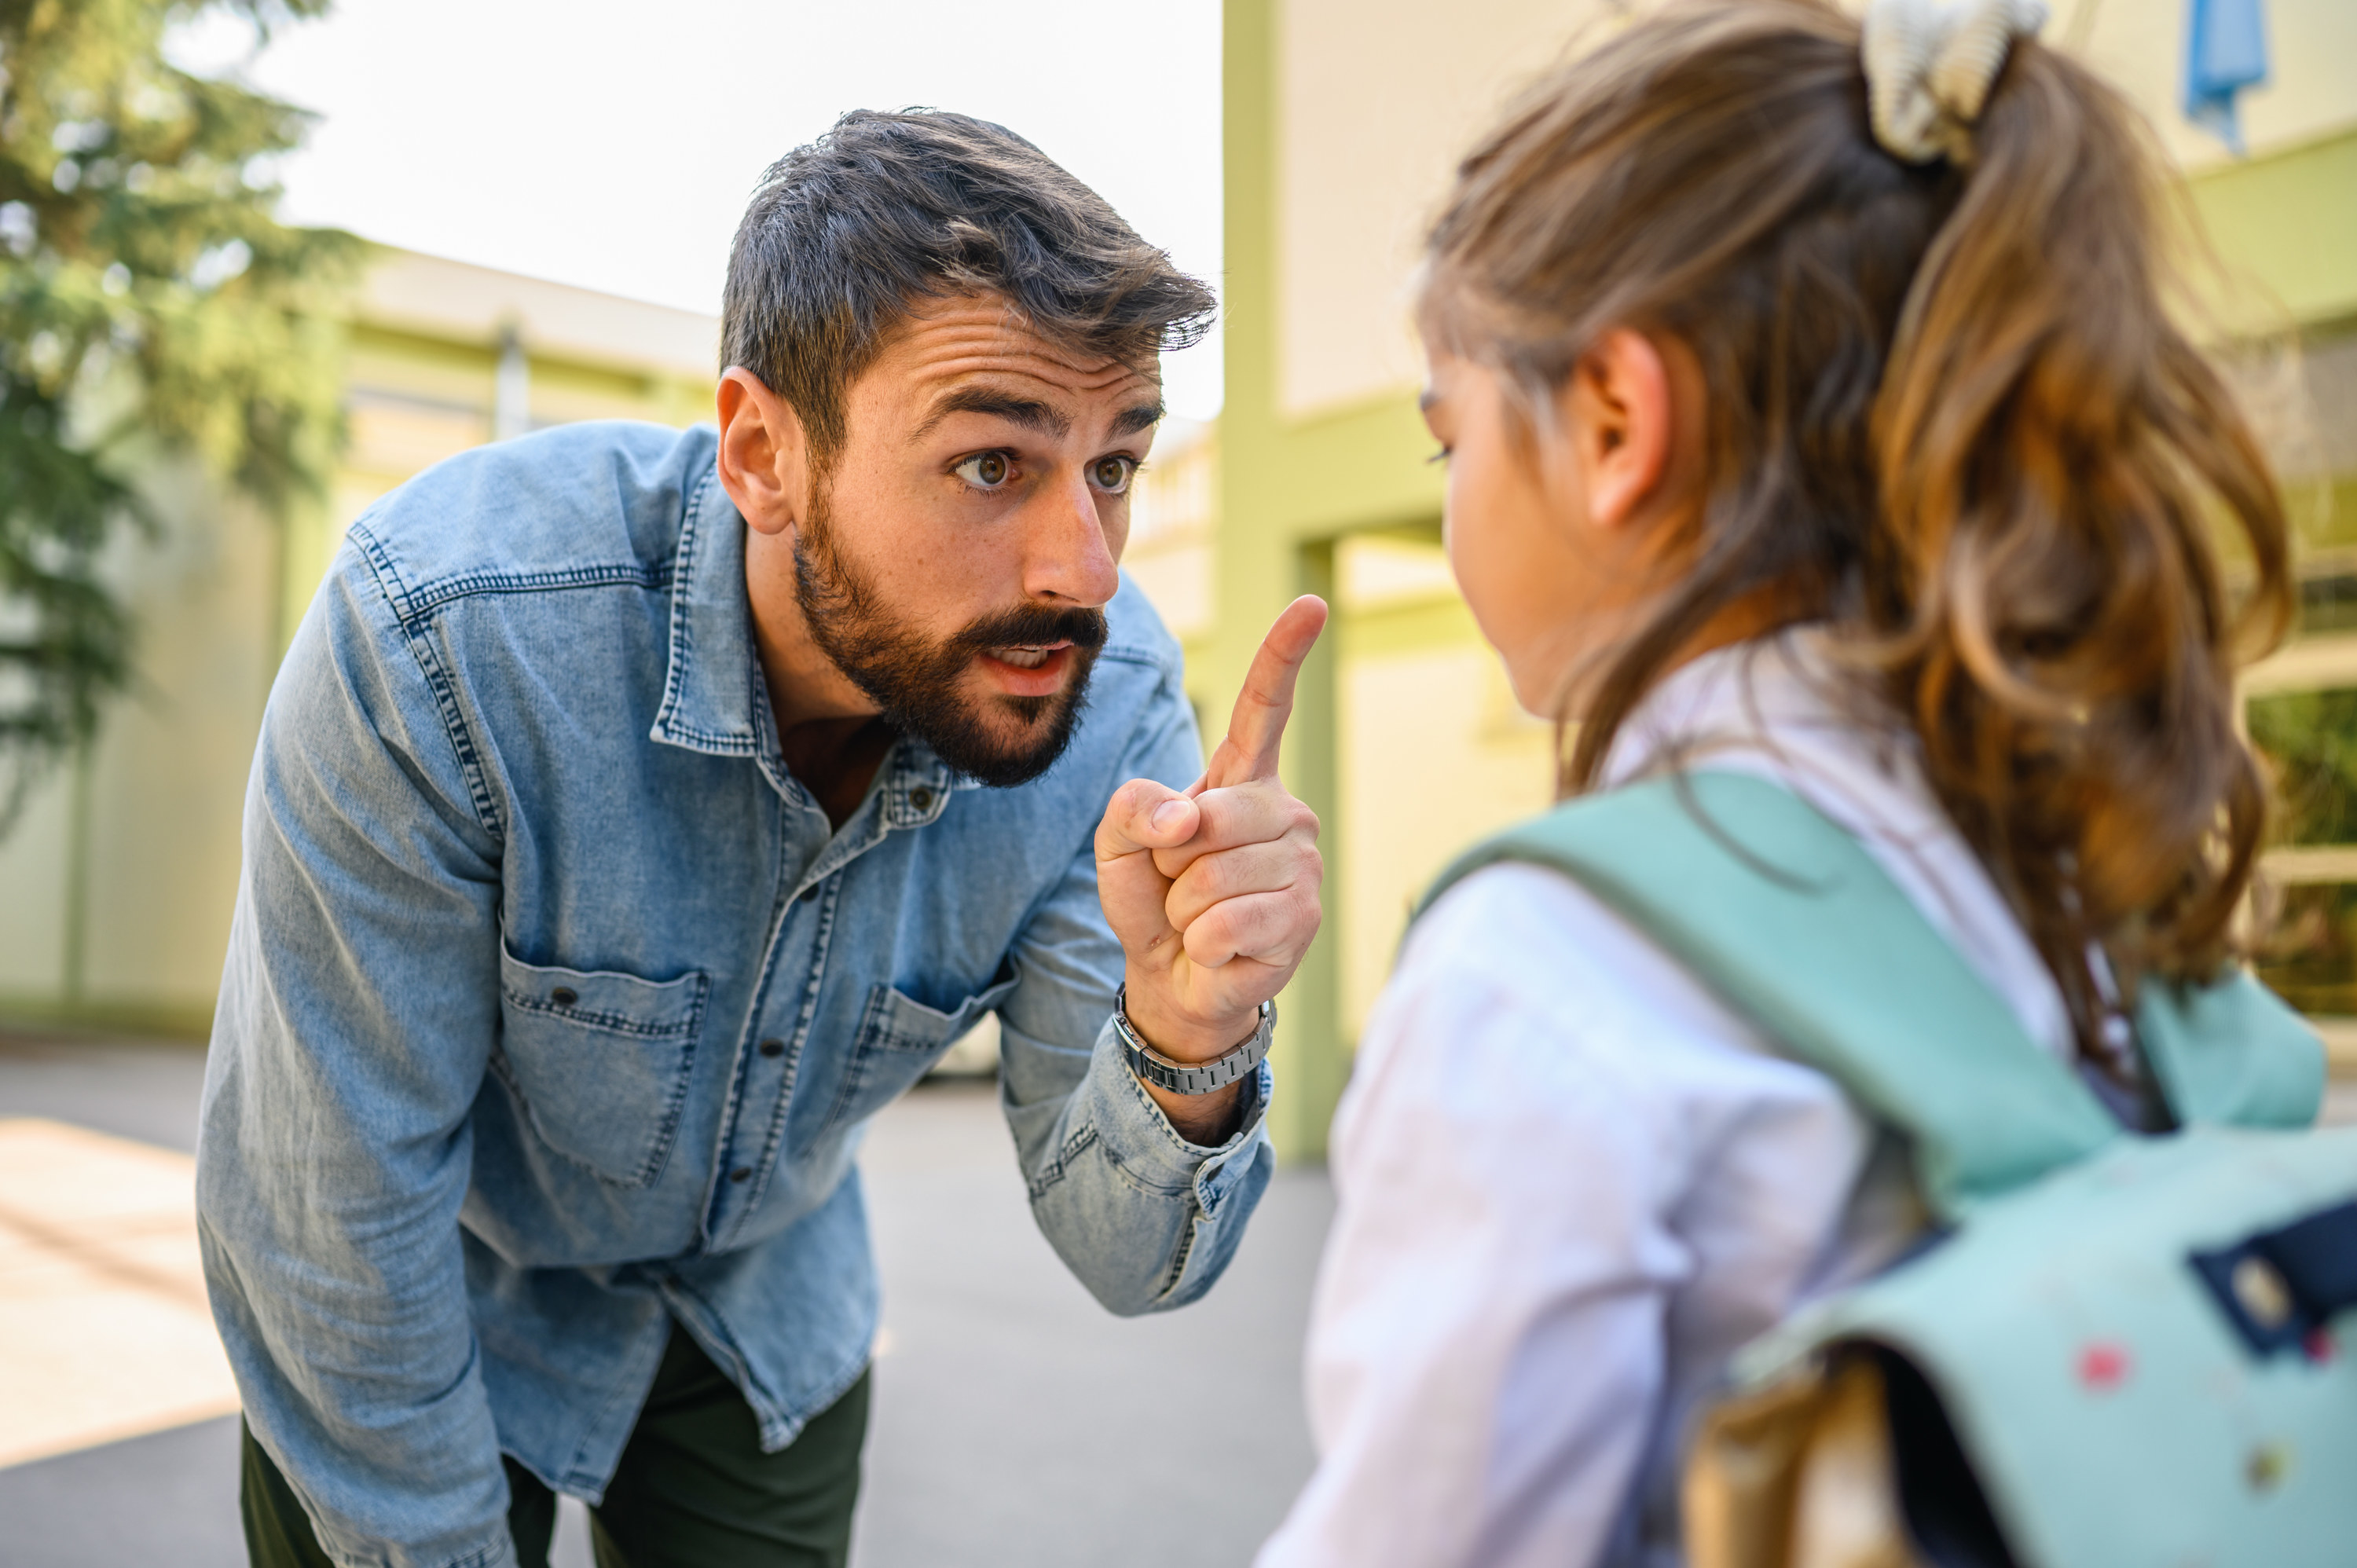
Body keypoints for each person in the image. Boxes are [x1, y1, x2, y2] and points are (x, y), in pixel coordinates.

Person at [199, 108, 1327, 1568]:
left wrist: (1185, 1037)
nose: (1084, 570)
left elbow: (1130, 1260)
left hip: (762, 1319)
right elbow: (327, 1207)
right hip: (414, 1298)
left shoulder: (1103, 720)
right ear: (761, 453)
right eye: (994, 463)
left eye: (1115, 464)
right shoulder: (446, 639)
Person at [1257, 1, 2292, 1563]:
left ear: (1615, 421)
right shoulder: (2081, 866)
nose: (1455, 500)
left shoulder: (1549, 970)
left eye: (1447, 440)